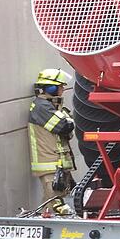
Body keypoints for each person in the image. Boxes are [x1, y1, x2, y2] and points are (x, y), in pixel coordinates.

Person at [28, 68, 76, 215]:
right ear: (50, 88)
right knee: (59, 206)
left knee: (49, 207)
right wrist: (68, 120)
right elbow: (64, 126)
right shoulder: (41, 107)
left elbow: (69, 130)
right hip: (50, 166)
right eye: (60, 86)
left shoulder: (52, 107)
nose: (63, 89)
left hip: (58, 165)